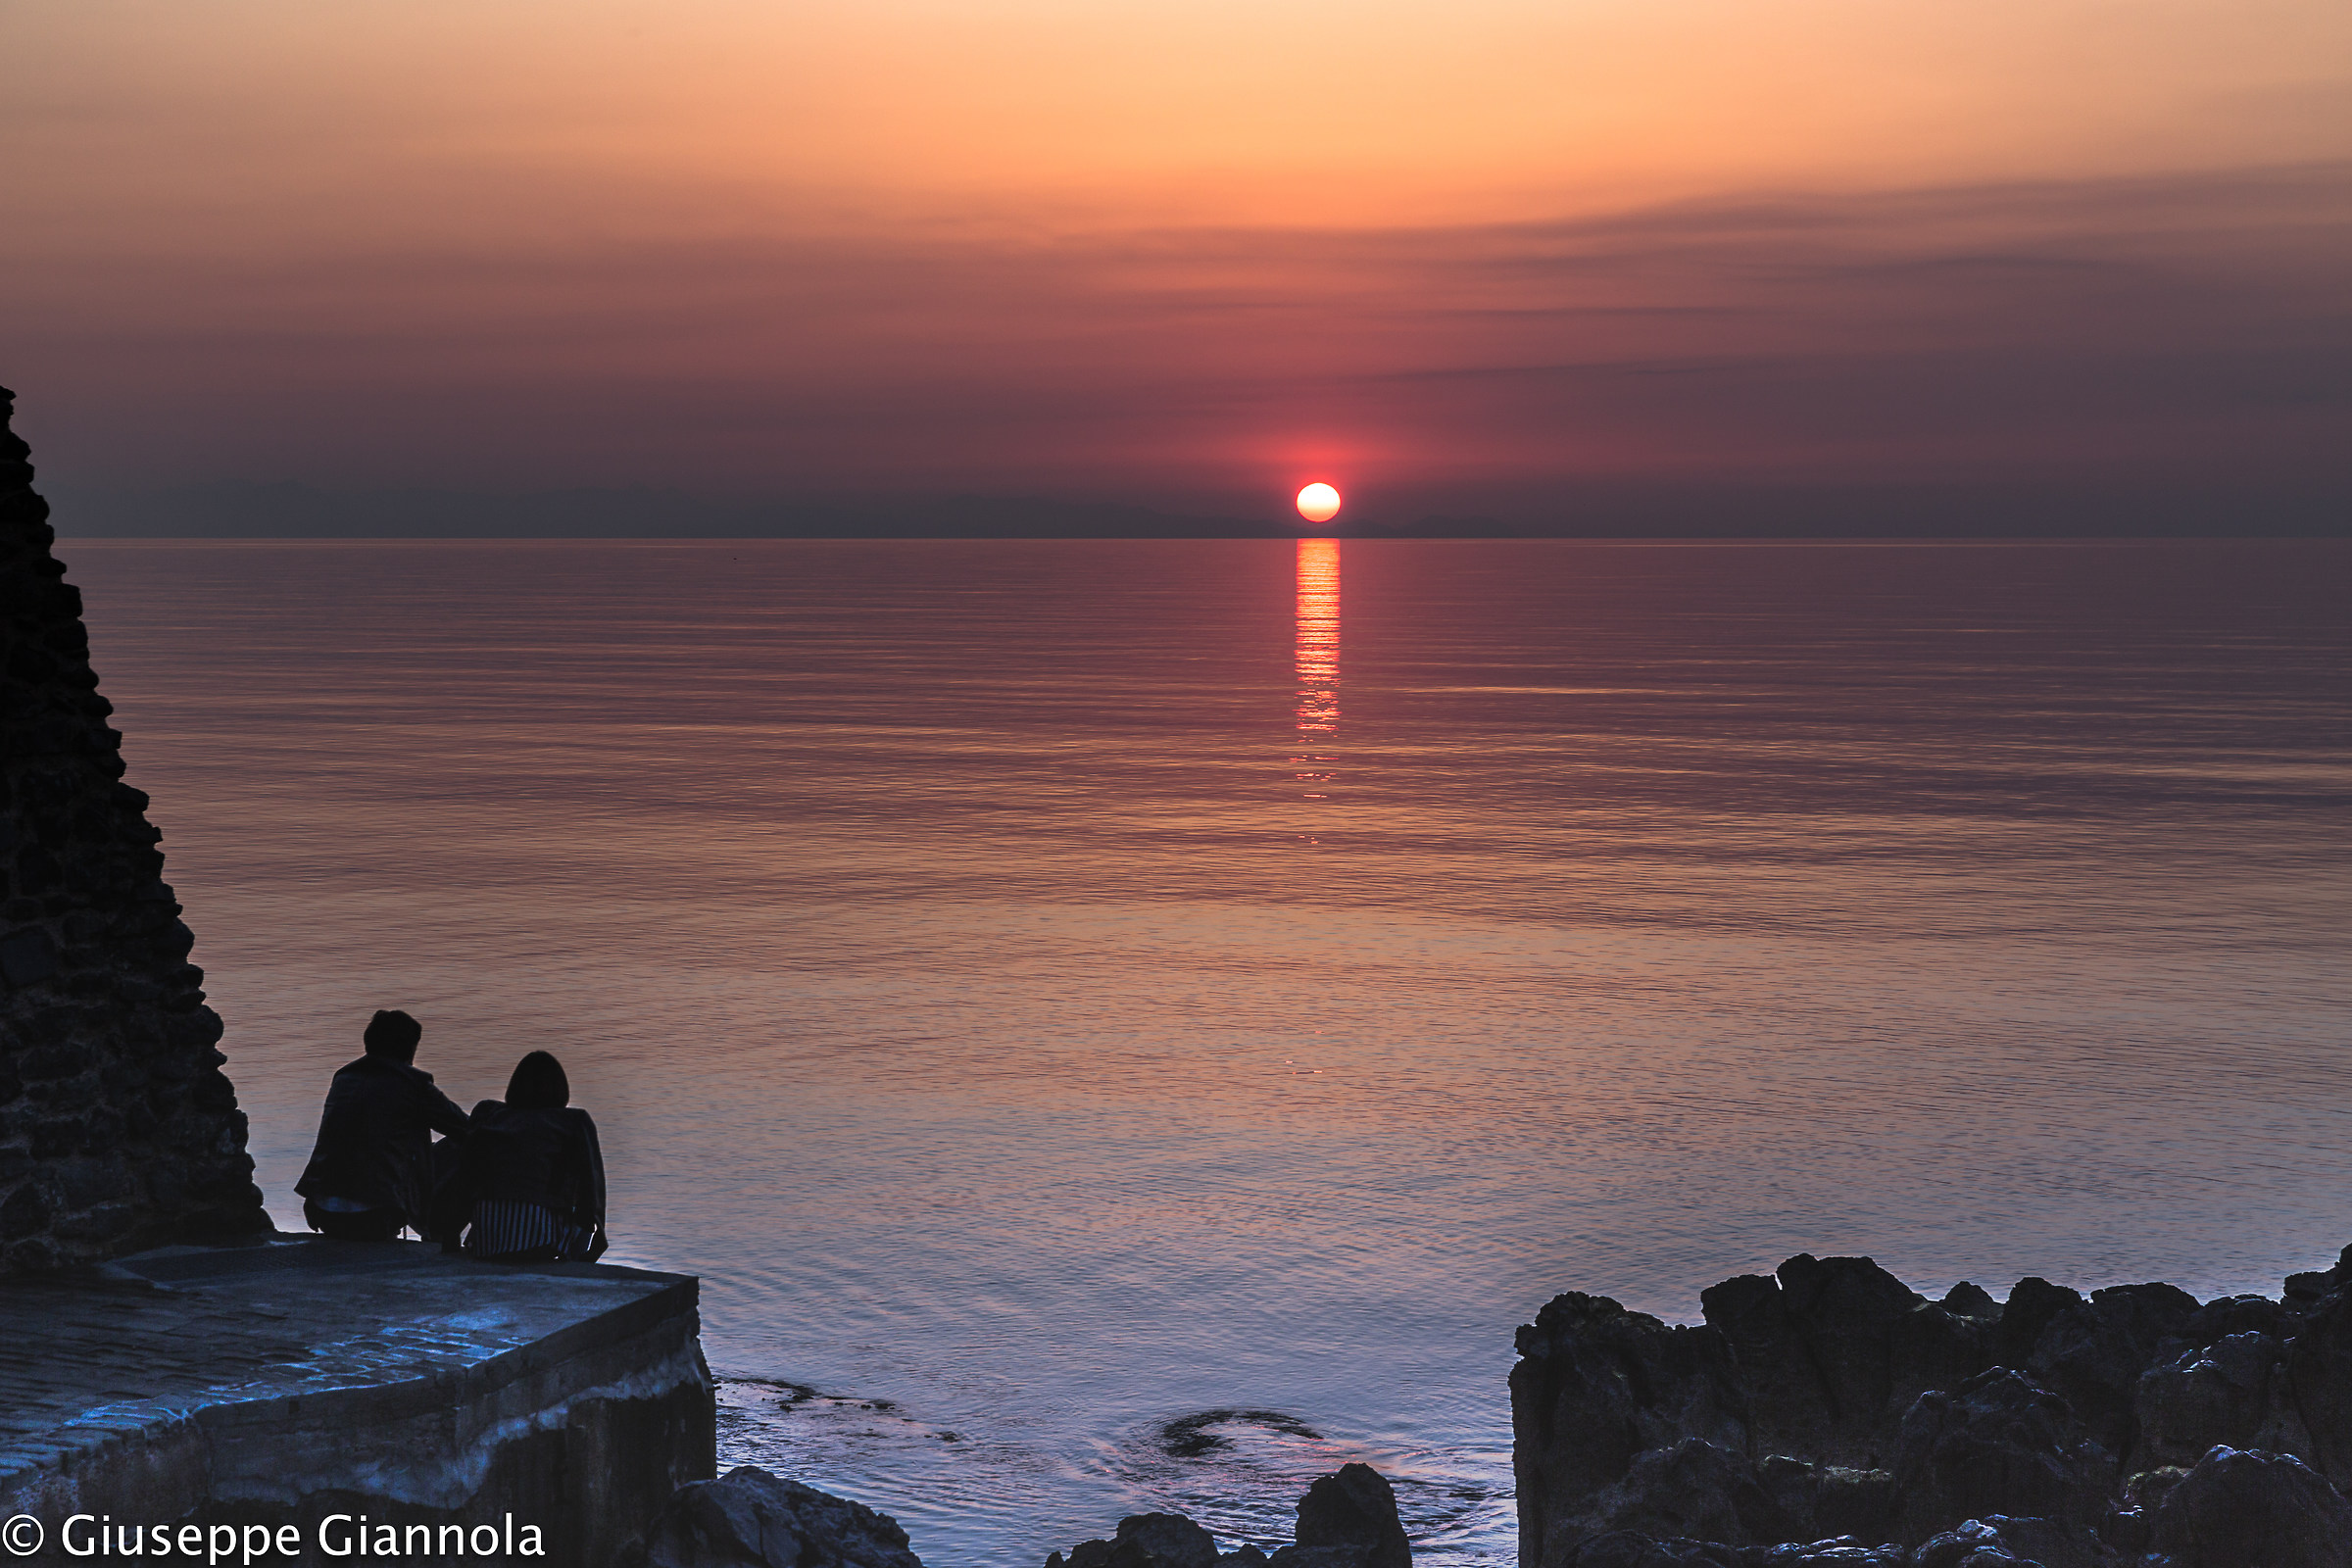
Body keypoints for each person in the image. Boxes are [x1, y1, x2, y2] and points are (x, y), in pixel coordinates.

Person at [294, 1008, 470, 1242]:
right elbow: (464, 1128)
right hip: (375, 1214)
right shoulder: (413, 1083)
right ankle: (441, 1235)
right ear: (409, 1048)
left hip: (321, 1209)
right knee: (466, 1146)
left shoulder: (344, 1078)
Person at [460, 1051, 608, 1262]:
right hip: (540, 1242)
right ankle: (571, 1260)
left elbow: (466, 1174)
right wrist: (596, 1239)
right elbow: (592, 1189)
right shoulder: (574, 1122)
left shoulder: (489, 1115)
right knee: (576, 1199)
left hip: (486, 1238)